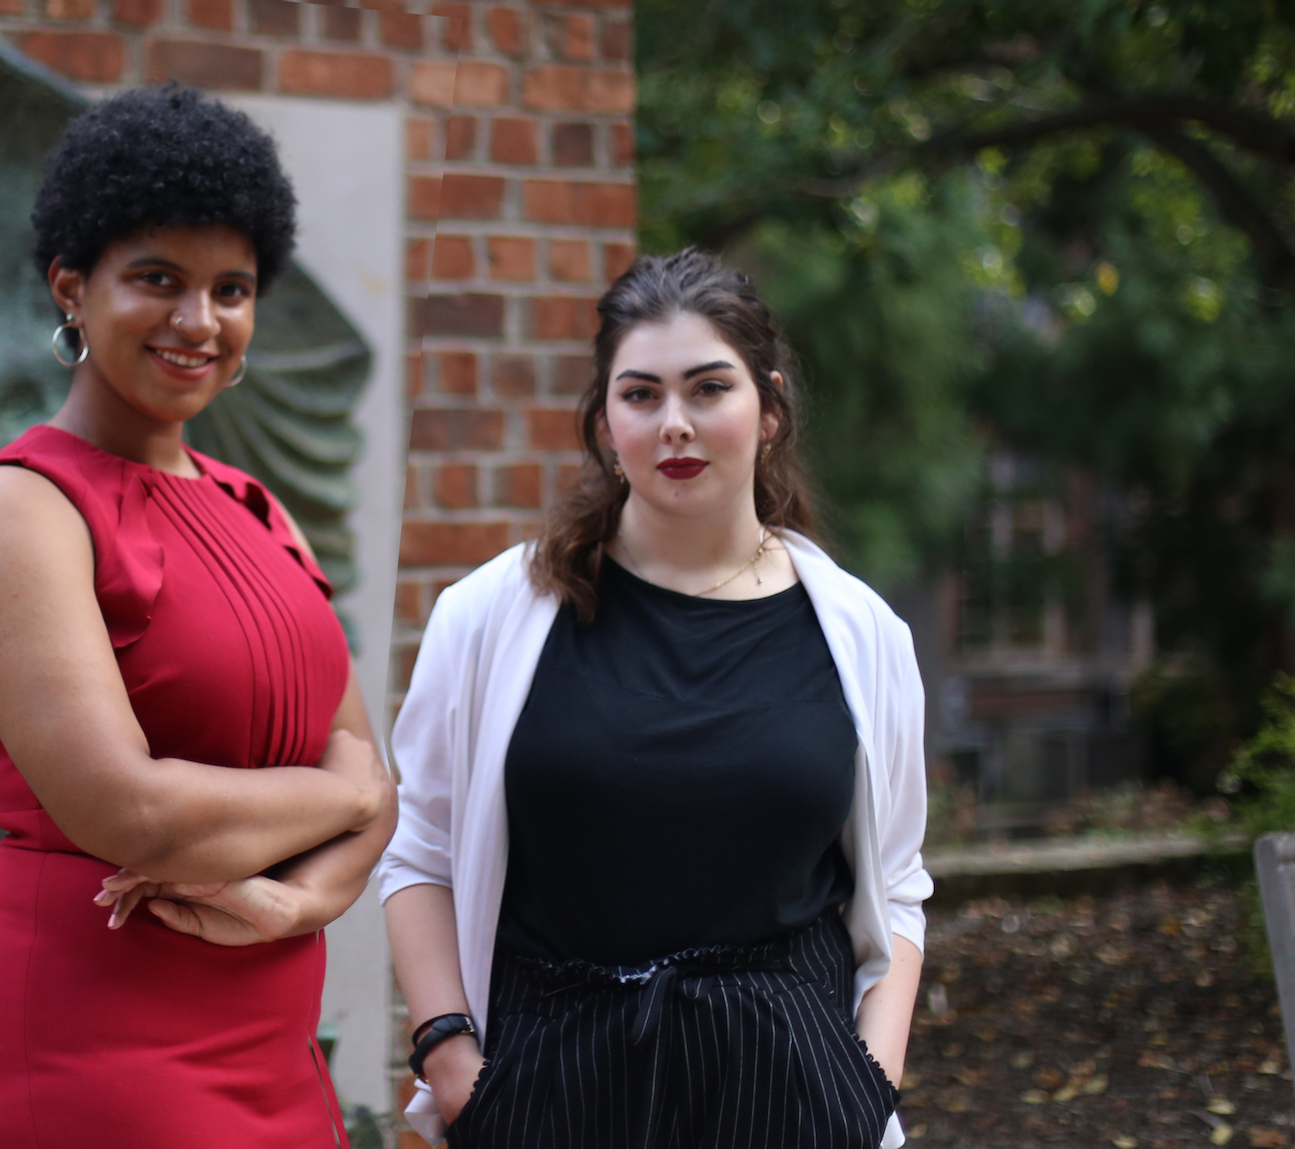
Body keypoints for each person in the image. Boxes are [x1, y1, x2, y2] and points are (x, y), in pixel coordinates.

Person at [0, 84, 396, 1147]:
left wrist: (295, 904)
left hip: (274, 1042)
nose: (199, 322)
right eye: (157, 280)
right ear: (70, 289)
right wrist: (340, 790)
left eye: (231, 289)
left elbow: (375, 795)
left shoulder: (260, 511)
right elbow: (124, 812)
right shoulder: (15, 508)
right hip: (89, 1049)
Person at [381, 248, 931, 1149]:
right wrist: (453, 1065)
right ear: (605, 420)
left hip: (789, 1092)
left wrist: (867, 1081)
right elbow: (421, 856)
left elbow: (900, 884)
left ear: (771, 407)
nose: (674, 422)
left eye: (708, 388)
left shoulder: (862, 635)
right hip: (547, 1087)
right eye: (641, 394)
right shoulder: (488, 618)